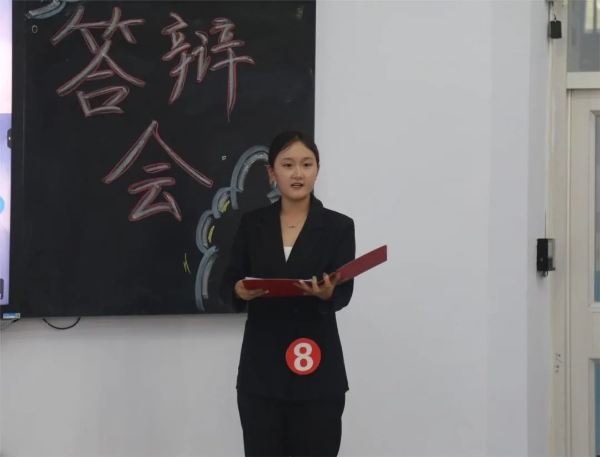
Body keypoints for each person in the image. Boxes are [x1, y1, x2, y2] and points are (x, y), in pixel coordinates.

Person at [219, 130, 356, 457]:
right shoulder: (252, 224)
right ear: (272, 172)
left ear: (317, 170)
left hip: (318, 370)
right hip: (261, 370)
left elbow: (344, 290)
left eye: (307, 164)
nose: (298, 173)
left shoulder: (339, 226)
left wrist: (328, 294)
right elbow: (228, 282)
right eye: (288, 164)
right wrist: (238, 290)